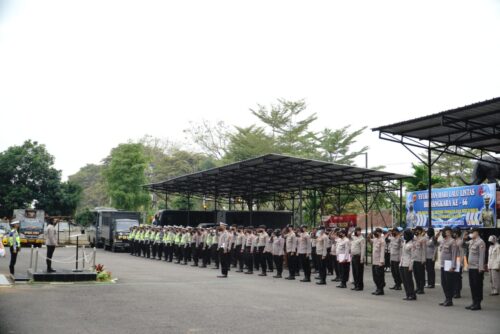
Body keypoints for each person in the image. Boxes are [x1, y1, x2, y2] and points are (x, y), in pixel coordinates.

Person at [466, 228, 485, 310]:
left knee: (477, 286)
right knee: (472, 285)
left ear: (476, 233)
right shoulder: (471, 241)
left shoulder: (481, 242)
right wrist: (464, 237)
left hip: (477, 268)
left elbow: (482, 256)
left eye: (472, 232)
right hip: (471, 267)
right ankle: (474, 302)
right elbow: (462, 244)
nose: (471, 234)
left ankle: (478, 303)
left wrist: (480, 268)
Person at [438, 227, 458, 307]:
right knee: (443, 283)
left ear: (449, 232)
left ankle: (449, 300)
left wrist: (453, 266)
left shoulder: (452, 242)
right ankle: (446, 298)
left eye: (444, 231)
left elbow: (454, 254)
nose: (443, 233)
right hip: (443, 264)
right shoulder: (443, 241)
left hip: (449, 264)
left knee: (449, 283)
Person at [400, 229, 417, 301]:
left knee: (409, 280)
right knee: (404, 280)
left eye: (405, 234)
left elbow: (413, 257)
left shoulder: (412, 244)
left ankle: (412, 294)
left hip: (408, 264)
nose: (404, 236)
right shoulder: (404, 242)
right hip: (402, 263)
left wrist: (411, 266)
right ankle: (407, 294)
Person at [370, 228, 385, 295]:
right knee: (375, 277)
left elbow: (382, 252)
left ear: (380, 233)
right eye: (375, 232)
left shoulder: (382, 241)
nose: (375, 233)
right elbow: (369, 240)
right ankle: (377, 288)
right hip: (374, 261)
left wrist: (381, 261)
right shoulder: (375, 239)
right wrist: (369, 235)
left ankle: (380, 290)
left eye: (376, 232)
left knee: (379, 277)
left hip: (379, 262)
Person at [350, 227, 365, 291]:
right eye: (356, 231)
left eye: (359, 231)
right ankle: (356, 285)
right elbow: (349, 235)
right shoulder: (354, 238)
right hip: (353, 256)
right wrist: (352, 231)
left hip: (358, 257)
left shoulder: (362, 239)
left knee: (359, 272)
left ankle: (360, 286)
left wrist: (362, 259)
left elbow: (363, 249)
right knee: (354, 272)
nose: (358, 232)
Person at [413, 226, 426, 294]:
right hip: (415, 259)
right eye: (415, 230)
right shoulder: (415, 239)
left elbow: (424, 250)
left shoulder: (423, 239)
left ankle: (421, 288)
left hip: (420, 259)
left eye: (417, 230)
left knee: (421, 275)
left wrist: (423, 259)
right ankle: (417, 287)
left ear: (420, 231)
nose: (416, 232)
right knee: (416, 275)